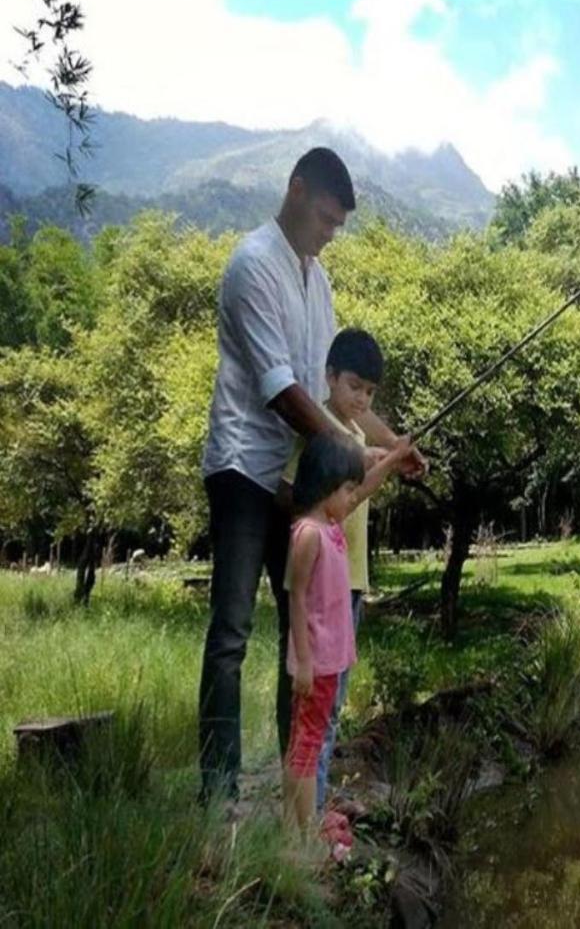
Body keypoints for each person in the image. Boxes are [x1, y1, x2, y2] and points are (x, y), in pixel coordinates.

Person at [198, 147, 422, 803]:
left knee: (299, 630)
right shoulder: (251, 267)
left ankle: (293, 788)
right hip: (243, 467)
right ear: (297, 192)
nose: (329, 233)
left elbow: (335, 398)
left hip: (295, 480)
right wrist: (355, 458)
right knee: (232, 630)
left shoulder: (316, 279)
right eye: (326, 218)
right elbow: (280, 390)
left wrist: (392, 445)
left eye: (336, 226)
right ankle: (218, 794)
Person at [278, 327, 389, 812]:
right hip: (324, 599)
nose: (361, 398)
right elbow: (297, 495)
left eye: (369, 392)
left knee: (330, 716)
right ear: (329, 377)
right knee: (313, 726)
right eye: (354, 386)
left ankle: (315, 816)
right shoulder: (321, 431)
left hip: (351, 584)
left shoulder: (359, 436)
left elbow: (359, 491)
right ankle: (305, 824)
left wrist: (395, 456)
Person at [281, 432, 409, 840]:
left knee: (312, 740)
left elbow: (358, 494)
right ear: (325, 486)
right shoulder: (308, 534)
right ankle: (300, 832)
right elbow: (296, 599)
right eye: (347, 488)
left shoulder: (331, 526)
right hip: (314, 662)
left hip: (330, 661)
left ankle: (302, 824)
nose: (353, 497)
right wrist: (302, 661)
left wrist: (391, 459)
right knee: (304, 747)